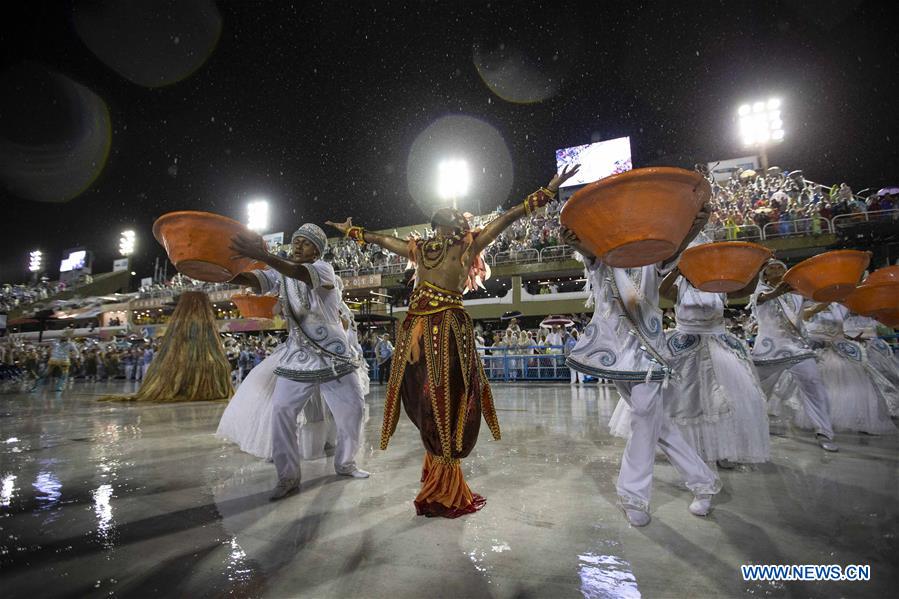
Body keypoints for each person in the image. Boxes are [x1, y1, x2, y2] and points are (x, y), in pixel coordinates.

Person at [326, 164, 580, 517]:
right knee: (418, 396)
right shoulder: (421, 249)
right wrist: (353, 231)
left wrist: (547, 191)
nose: (456, 225)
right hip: (416, 327)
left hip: (447, 326)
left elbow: (506, 219)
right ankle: (435, 463)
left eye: (456, 222)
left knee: (445, 396)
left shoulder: (467, 245)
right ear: (438, 227)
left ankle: (446, 476)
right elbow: (384, 241)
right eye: (448, 222)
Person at [562, 202, 722, 528]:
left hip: (647, 352)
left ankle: (633, 494)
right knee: (656, 423)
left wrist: (693, 225)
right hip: (612, 352)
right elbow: (587, 251)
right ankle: (703, 483)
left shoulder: (652, 259)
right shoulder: (602, 259)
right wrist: (573, 239)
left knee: (645, 419)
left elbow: (675, 248)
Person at [228, 223, 369, 501]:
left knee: (352, 408)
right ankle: (288, 476)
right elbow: (252, 281)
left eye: (305, 243)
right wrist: (218, 271)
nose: (297, 246)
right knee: (281, 411)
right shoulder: (280, 274)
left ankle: (345, 463)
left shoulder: (322, 269)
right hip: (297, 355)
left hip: (333, 354)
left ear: (317, 250)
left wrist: (266, 256)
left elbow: (297, 272)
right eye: (295, 241)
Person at [651, 242, 770, 467]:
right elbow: (662, 292)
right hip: (684, 346)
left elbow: (745, 290)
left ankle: (723, 448)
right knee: (685, 400)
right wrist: (679, 268)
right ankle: (686, 449)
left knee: (727, 399)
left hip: (718, 345)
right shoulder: (681, 287)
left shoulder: (718, 286)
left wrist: (757, 268)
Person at [750, 260, 838, 451]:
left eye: (781, 267)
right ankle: (749, 427)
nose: (777, 269)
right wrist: (777, 292)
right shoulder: (758, 291)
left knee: (815, 387)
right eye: (771, 268)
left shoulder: (798, 294)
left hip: (798, 349)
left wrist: (838, 283)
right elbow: (763, 298)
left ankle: (824, 431)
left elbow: (820, 299)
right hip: (768, 351)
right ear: (764, 275)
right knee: (754, 390)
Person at [792, 302, 896, 434]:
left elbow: (844, 327)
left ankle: (853, 418)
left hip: (842, 352)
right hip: (826, 352)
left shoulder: (840, 306)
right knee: (826, 385)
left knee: (855, 386)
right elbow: (807, 322)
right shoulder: (813, 307)